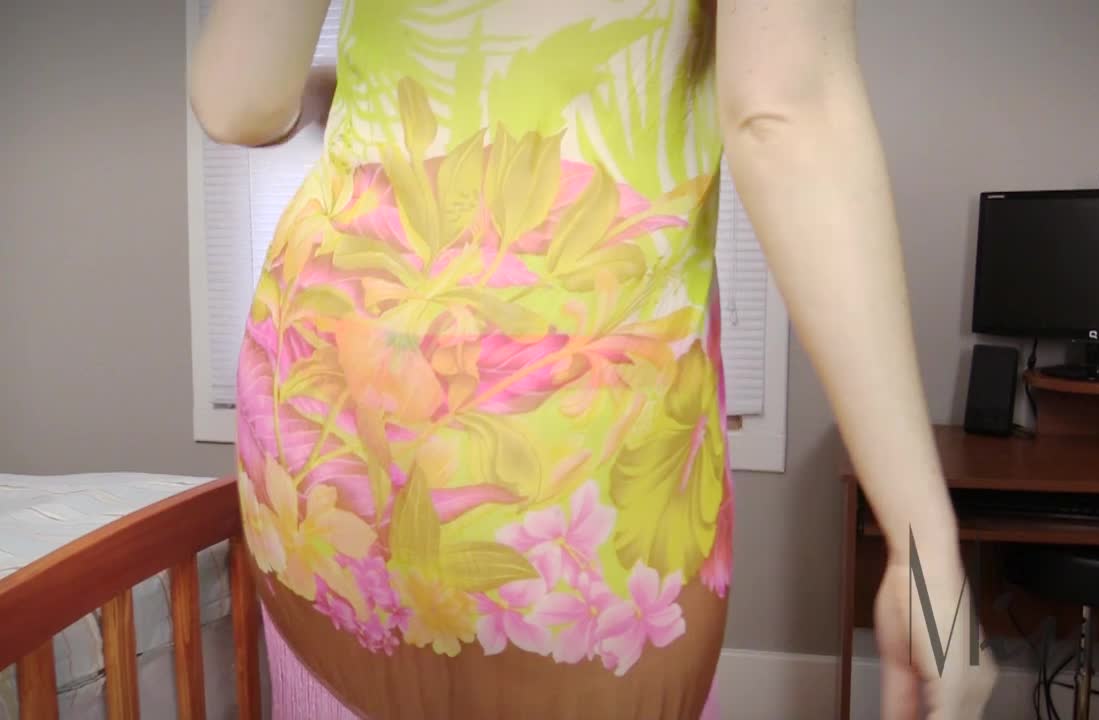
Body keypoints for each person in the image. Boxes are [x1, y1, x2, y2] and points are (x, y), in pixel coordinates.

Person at [191, 0, 997, 718]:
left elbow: (237, 100)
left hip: (323, 402)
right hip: (579, 435)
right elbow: (784, 111)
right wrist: (922, 547)